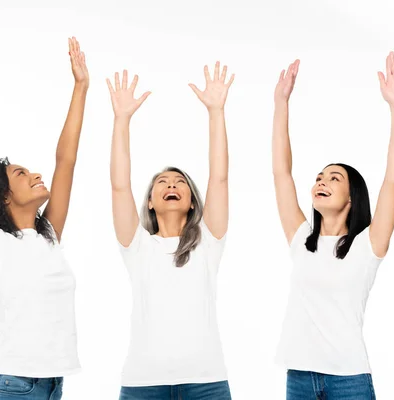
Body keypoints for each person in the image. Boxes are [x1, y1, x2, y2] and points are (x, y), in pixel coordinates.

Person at [0, 19, 88, 399]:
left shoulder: (49, 236)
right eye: (21, 174)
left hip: (51, 386)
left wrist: (81, 87)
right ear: (3, 197)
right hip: (8, 386)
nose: (35, 174)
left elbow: (66, 161)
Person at [272, 53, 394, 399]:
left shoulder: (368, 245)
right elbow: (281, 173)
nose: (322, 180)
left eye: (334, 178)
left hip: (349, 380)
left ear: (352, 197)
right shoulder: (302, 239)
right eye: (319, 176)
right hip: (300, 378)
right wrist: (281, 103)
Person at [106, 63, 234, 400]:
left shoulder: (209, 241)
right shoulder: (137, 245)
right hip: (142, 386)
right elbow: (120, 186)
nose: (171, 185)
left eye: (179, 183)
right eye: (162, 183)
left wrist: (216, 112)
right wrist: (121, 120)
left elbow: (219, 176)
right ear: (150, 202)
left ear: (192, 202)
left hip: (206, 383)